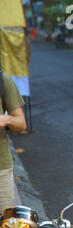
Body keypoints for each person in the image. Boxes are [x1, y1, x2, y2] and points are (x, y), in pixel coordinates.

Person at [0, 71, 27, 213]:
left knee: (3, 226)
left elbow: (21, 123)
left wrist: (6, 119)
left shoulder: (3, 81)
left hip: (1, 170)